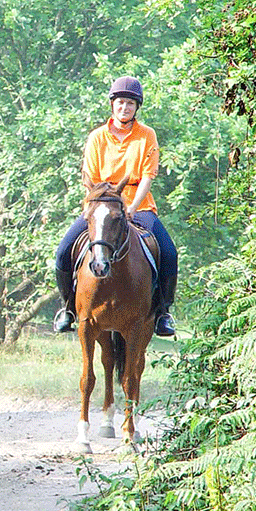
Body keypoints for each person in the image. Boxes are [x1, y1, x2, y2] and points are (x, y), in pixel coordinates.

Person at [52, 76, 178, 337]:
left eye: (130, 103)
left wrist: (130, 207)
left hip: (138, 205)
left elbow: (147, 175)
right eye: (121, 102)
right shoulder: (97, 137)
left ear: (136, 107)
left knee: (169, 253)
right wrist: (107, 206)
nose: (125, 108)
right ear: (113, 104)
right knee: (63, 250)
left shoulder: (147, 136)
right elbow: (91, 179)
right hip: (103, 207)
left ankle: (164, 312)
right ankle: (67, 309)